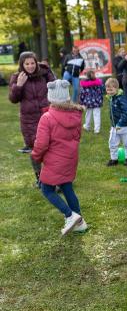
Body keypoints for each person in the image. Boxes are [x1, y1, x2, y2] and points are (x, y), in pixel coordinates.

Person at [31, 79, 87, 235]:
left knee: (46, 188)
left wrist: (35, 155)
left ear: (51, 98)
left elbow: (41, 144)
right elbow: (77, 136)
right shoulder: (75, 115)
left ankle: (70, 215)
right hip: (70, 158)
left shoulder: (47, 118)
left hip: (54, 160)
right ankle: (80, 223)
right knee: (66, 186)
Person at [9, 52, 55, 185]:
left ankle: (52, 178)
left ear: (36, 63)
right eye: (27, 64)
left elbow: (55, 88)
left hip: (47, 116)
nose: (30, 66)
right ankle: (39, 179)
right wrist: (19, 85)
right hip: (29, 120)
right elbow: (13, 99)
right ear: (22, 65)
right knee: (35, 149)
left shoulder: (44, 74)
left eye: (32, 63)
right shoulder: (18, 77)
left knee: (51, 148)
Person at [105, 78, 127, 166]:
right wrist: (115, 125)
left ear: (117, 88)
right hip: (114, 126)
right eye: (107, 89)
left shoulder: (121, 98)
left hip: (124, 126)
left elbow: (125, 112)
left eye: (111, 89)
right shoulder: (111, 98)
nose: (109, 91)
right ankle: (114, 159)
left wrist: (120, 124)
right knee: (112, 142)